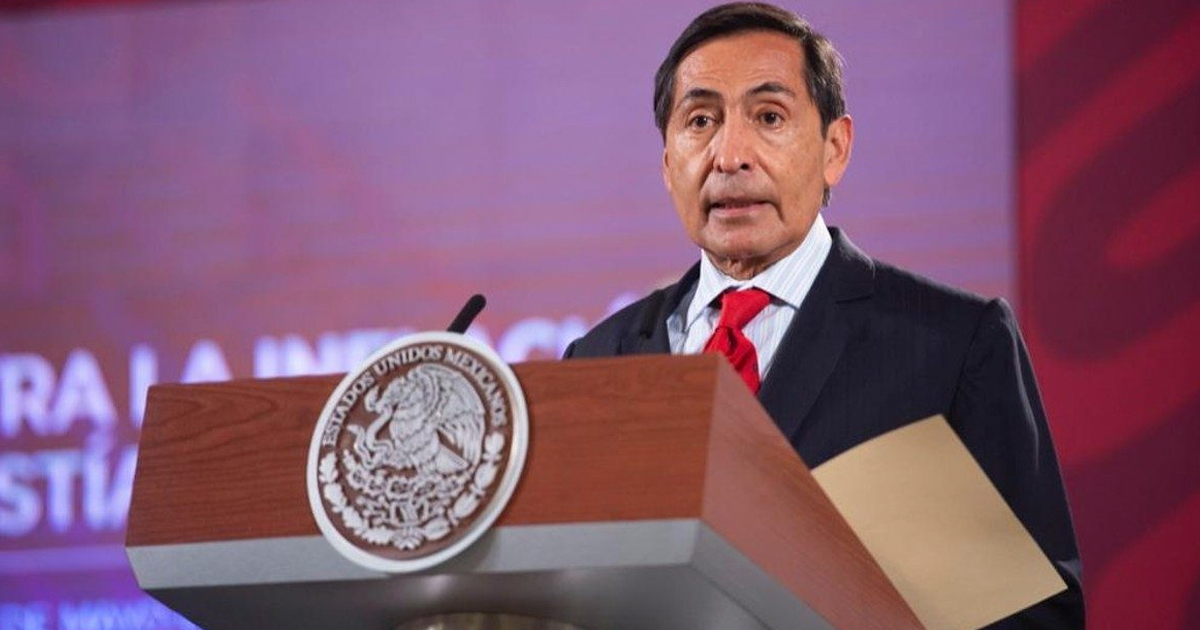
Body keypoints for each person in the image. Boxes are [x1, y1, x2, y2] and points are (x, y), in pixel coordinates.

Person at [563, 2, 1084, 627]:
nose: (730, 155)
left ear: (834, 148)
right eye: (700, 120)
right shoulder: (596, 362)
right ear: (668, 163)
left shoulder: (954, 345)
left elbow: (1036, 615)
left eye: (769, 116)